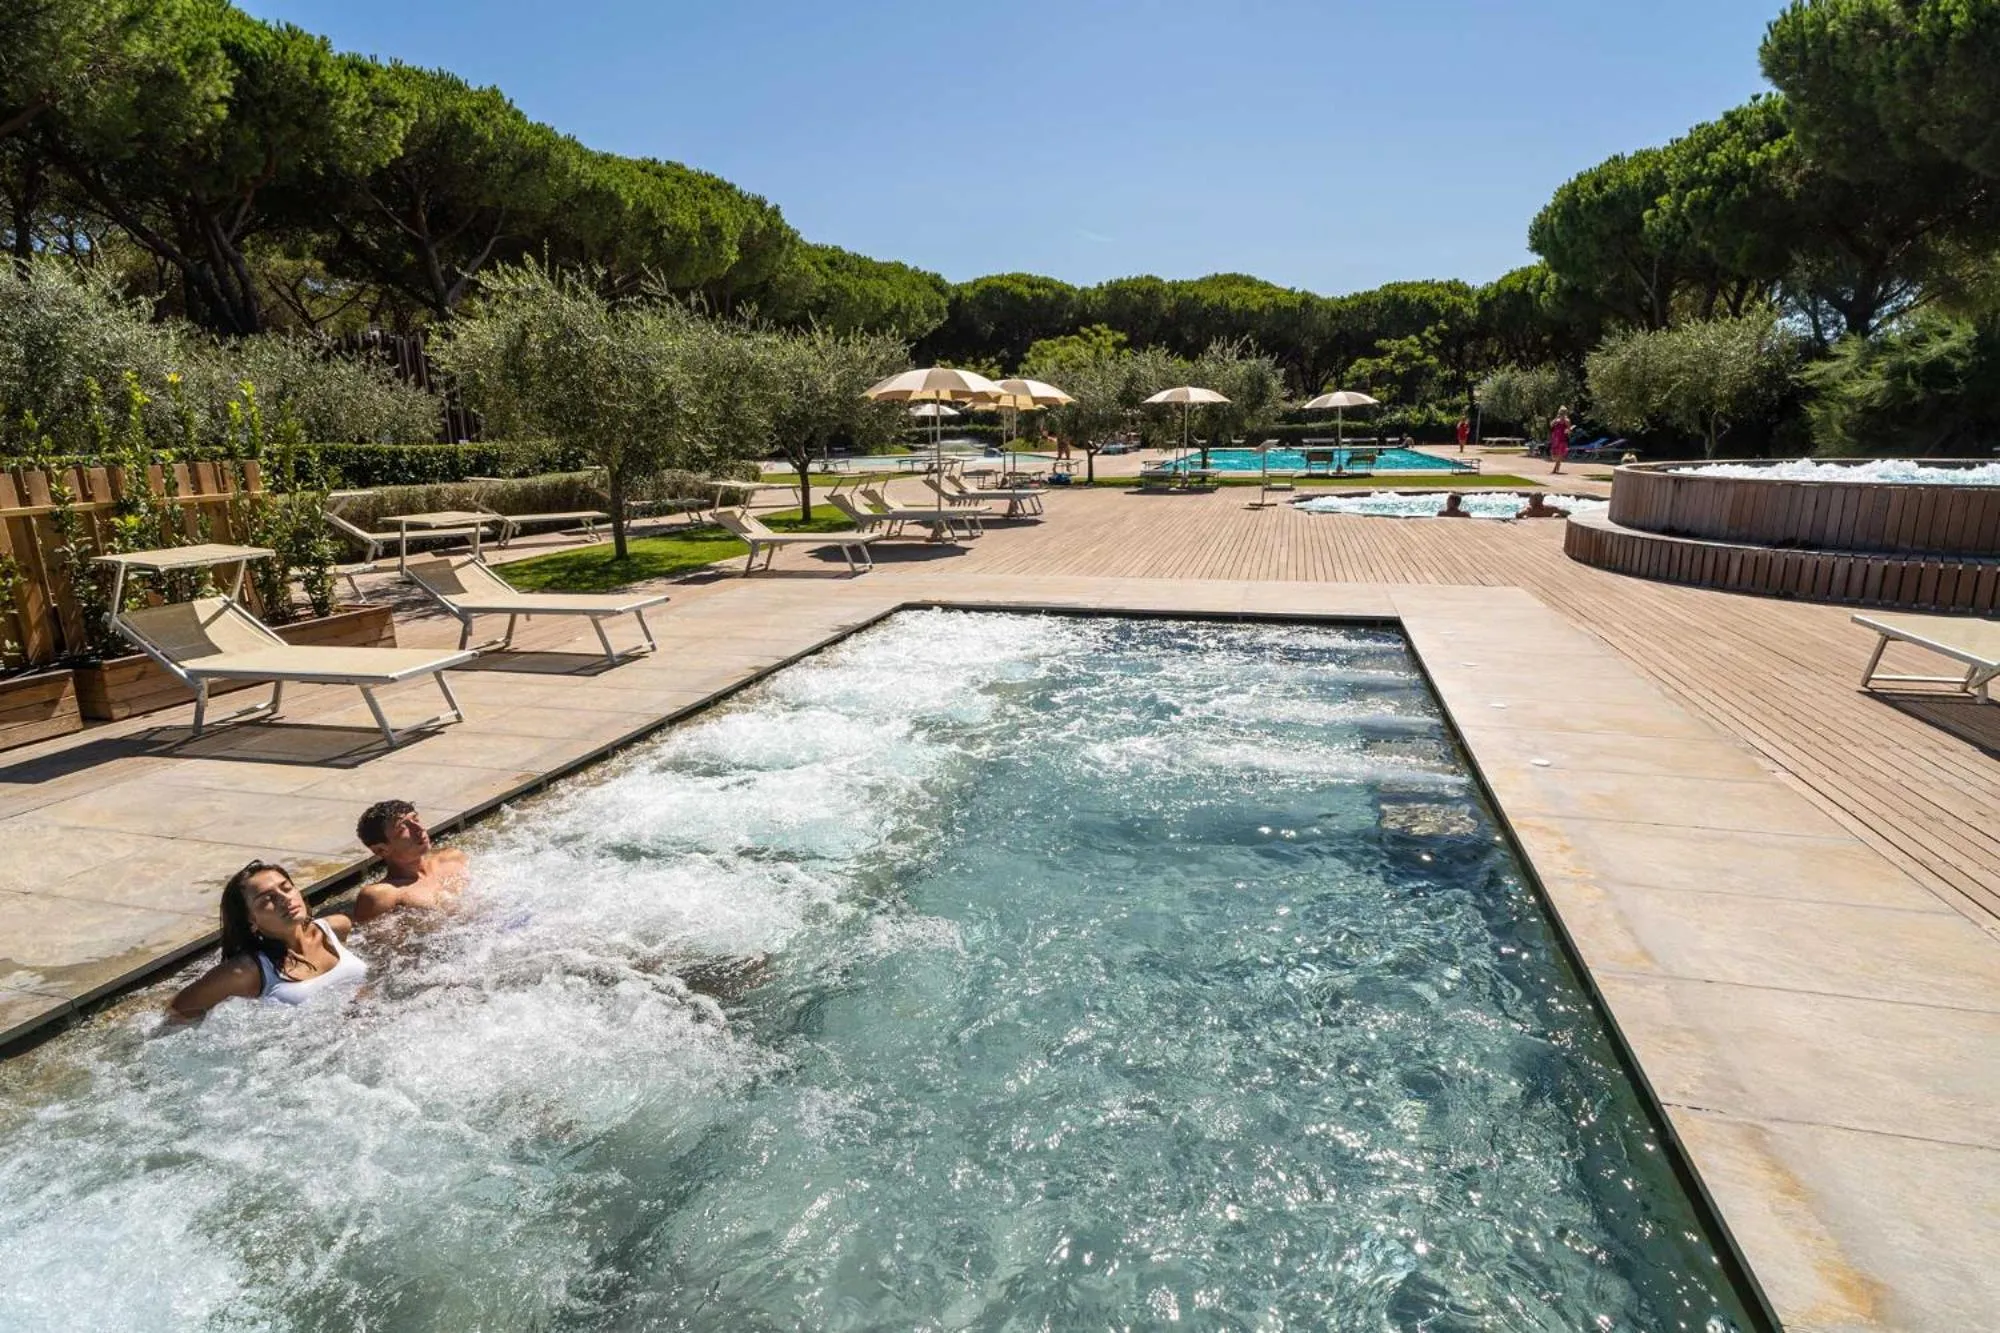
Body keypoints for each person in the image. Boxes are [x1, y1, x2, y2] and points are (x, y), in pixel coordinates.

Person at [168, 862, 367, 1021]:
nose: (285, 899)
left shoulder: (337, 927)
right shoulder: (246, 971)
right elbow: (178, 1011)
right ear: (251, 920)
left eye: (286, 888)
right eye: (267, 899)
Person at [351, 799, 470, 924]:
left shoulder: (451, 858)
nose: (419, 828)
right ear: (381, 850)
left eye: (416, 819)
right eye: (402, 829)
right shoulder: (383, 895)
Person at [1548, 406, 1572, 475]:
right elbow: (1551, 425)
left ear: (1565, 413)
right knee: (1553, 455)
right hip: (1555, 439)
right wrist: (1556, 419)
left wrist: (1567, 431)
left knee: (1559, 454)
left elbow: (1569, 431)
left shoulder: (1567, 420)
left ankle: (1555, 469)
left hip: (1562, 439)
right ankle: (1557, 465)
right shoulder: (1556, 420)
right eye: (1561, 412)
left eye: (1563, 412)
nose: (1562, 413)